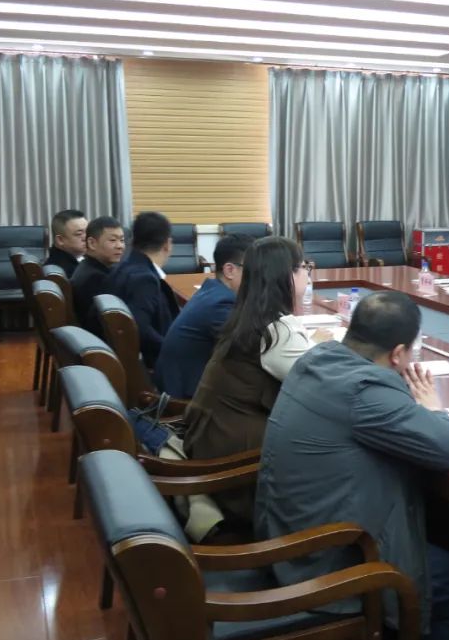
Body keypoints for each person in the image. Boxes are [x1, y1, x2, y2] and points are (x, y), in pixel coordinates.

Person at [256, 291, 449, 640]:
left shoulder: (318, 359)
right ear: (398, 354)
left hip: (290, 532)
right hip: (330, 560)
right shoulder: (365, 391)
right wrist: (433, 409)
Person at [183, 236, 321, 533]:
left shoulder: (252, 315)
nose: (308, 274)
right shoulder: (276, 331)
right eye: (303, 267)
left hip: (214, 439)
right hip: (239, 468)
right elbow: (328, 389)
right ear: (285, 275)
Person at [152, 233, 254, 399]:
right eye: (255, 270)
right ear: (230, 270)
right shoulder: (221, 304)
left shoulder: (212, 291)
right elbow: (251, 349)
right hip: (185, 399)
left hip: (179, 385)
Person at [102, 211, 179, 368]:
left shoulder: (121, 267)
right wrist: (172, 350)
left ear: (133, 240)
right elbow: (140, 329)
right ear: (167, 244)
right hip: (153, 365)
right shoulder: (144, 279)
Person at [71, 216, 125, 336]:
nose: (120, 246)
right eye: (113, 240)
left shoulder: (87, 267)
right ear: (92, 243)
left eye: (122, 240)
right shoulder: (95, 278)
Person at [44, 209, 87, 277]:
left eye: (88, 231)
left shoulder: (79, 257)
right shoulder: (65, 272)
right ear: (60, 240)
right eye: (79, 234)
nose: (86, 238)